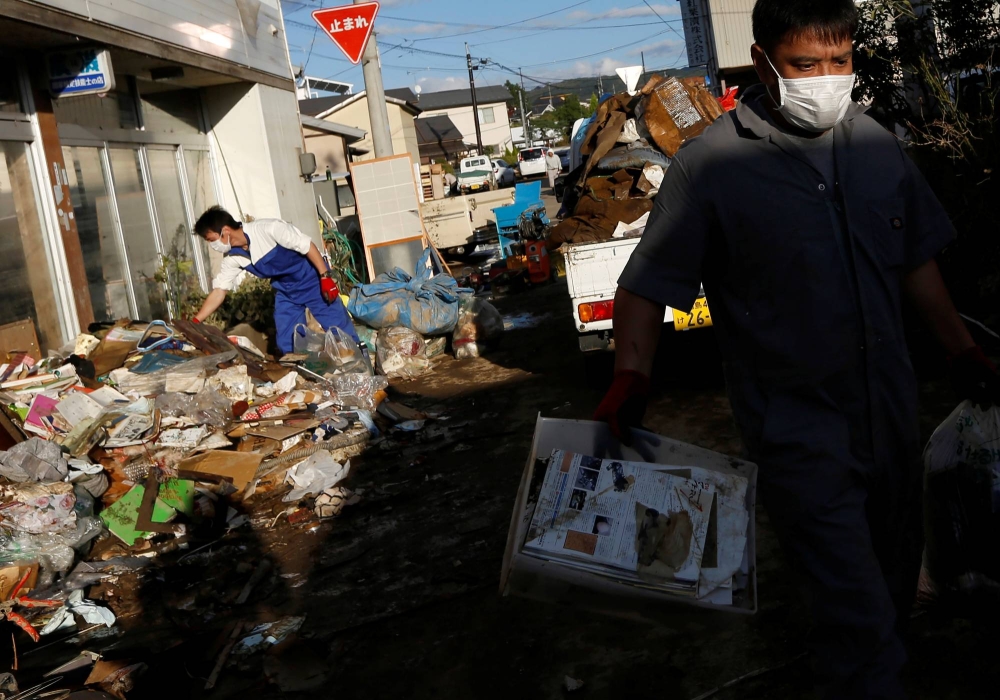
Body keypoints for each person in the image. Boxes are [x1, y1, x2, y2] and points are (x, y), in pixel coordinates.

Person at [594, 1, 1000, 697]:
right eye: (805, 65)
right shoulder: (711, 167)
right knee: (856, 612)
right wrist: (632, 376)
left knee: (894, 582)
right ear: (762, 63)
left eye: (839, 62)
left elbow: (915, 263)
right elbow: (647, 286)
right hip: (797, 432)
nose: (826, 79)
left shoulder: (877, 146)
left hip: (891, 420)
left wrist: (961, 352)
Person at [191, 206, 359, 356]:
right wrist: (195, 321)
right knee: (288, 340)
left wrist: (325, 277)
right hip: (286, 291)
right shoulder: (232, 258)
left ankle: (360, 363)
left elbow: (307, 246)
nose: (212, 245)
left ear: (225, 231)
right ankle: (304, 375)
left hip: (312, 281)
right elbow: (220, 291)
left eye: (211, 240)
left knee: (339, 329)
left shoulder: (269, 229)